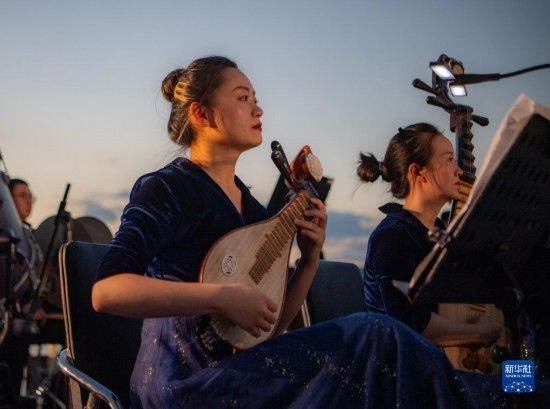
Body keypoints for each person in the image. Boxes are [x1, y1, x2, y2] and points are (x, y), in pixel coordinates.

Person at [92, 57, 537, 408]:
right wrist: (220, 297)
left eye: (256, 98)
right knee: (378, 334)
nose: (259, 108)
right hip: (185, 386)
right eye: (243, 98)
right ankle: (509, 397)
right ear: (202, 114)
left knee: (514, 342)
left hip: (245, 370)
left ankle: (520, 392)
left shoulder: (249, 207)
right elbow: (107, 292)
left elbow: (267, 329)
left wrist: (307, 260)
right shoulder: (167, 187)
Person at [358, 123, 503, 348]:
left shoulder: (442, 235)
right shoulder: (393, 236)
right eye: (449, 159)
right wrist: (479, 334)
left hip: (438, 359)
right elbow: (408, 321)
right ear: (417, 172)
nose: (459, 171)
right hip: (403, 364)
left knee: (525, 367)